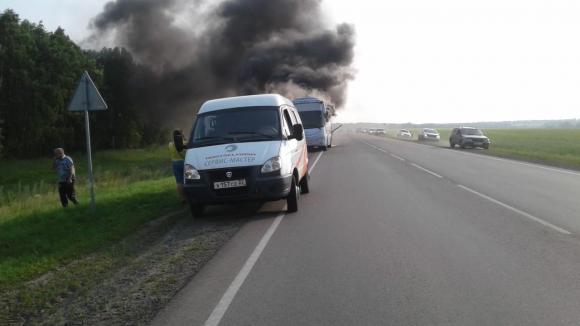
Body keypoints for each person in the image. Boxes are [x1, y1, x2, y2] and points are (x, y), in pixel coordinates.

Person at [169, 129, 187, 203]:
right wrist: (183, 137)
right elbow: (186, 143)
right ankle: (190, 196)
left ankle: (182, 198)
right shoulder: (184, 143)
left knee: (179, 182)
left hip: (175, 163)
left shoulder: (170, 144)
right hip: (183, 162)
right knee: (188, 180)